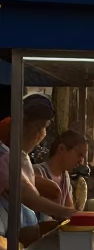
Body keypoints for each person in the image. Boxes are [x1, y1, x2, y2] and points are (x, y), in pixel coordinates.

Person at [0, 94, 72, 241]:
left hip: (18, 238)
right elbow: (29, 197)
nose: (42, 134)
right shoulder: (5, 157)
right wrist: (71, 214)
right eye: (41, 127)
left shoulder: (17, 155)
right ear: (24, 125)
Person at [34, 129, 88, 208]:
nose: (81, 162)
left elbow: (69, 210)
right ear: (61, 149)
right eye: (79, 155)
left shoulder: (65, 177)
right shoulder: (36, 172)